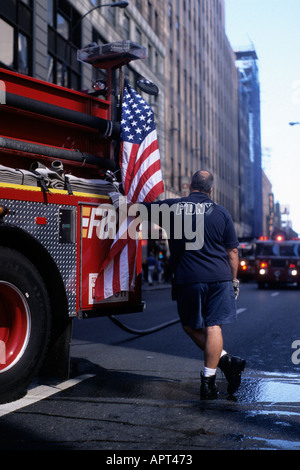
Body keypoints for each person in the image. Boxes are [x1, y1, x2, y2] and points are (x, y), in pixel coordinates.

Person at [109, 170, 245, 399]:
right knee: (214, 327)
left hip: (189, 277)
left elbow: (132, 210)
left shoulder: (172, 207)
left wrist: (113, 194)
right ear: (210, 190)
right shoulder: (221, 213)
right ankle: (211, 379)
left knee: (190, 326)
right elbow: (232, 252)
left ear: (189, 186)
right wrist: (233, 280)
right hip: (219, 277)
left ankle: (221, 368)